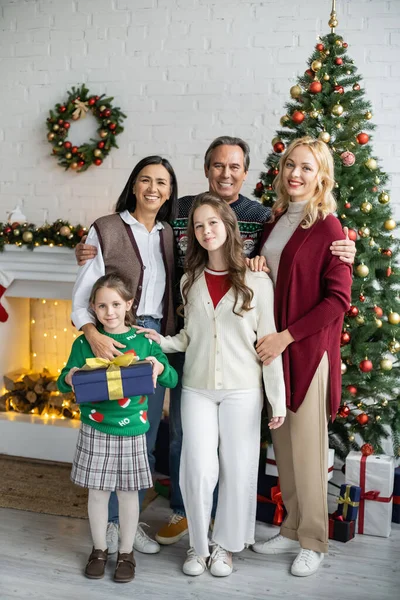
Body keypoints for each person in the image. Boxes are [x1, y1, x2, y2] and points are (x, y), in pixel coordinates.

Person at [74, 136, 356, 546]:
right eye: (218, 165)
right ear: (206, 169)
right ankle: (183, 513)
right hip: (184, 329)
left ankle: (236, 529)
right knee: (178, 434)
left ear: (246, 172)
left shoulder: (265, 217)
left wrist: (347, 247)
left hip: (254, 344)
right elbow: (142, 242)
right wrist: (86, 253)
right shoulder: (185, 210)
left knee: (243, 446)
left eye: (235, 167)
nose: (226, 173)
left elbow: (293, 272)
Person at [136, 192, 286, 577]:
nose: (205, 231)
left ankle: (226, 547)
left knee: (237, 469)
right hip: (198, 388)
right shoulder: (191, 280)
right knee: (197, 468)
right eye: (198, 225)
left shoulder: (257, 281)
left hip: (243, 391)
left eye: (213, 223)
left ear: (229, 226)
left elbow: (268, 344)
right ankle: (198, 548)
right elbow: (189, 338)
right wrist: (160, 342)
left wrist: (277, 400)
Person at [250, 136, 353, 577]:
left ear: (322, 176)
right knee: (285, 446)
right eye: (290, 165)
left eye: (306, 168)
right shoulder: (276, 222)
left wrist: (286, 337)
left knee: (309, 450)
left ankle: (314, 540)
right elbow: (274, 277)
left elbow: (337, 301)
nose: (295, 173)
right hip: (277, 351)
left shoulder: (329, 227)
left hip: (306, 350)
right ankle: (291, 528)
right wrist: (257, 267)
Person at [71, 155, 178, 555]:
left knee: (142, 434)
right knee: (110, 425)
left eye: (162, 183)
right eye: (146, 180)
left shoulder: (169, 233)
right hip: (114, 333)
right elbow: (83, 294)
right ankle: (111, 527)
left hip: (152, 337)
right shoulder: (106, 227)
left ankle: (127, 527)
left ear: (170, 192)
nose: (153, 188)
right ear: (134, 185)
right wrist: (93, 334)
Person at [58, 273, 178, 583]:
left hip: (132, 432)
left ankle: (126, 552)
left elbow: (171, 379)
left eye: (115, 304)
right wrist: (71, 377)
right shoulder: (85, 343)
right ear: (93, 310)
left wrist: (158, 365)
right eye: (101, 306)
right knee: (97, 494)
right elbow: (62, 380)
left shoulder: (142, 341)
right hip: (95, 430)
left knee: (128, 495)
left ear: (128, 304)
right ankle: (99, 549)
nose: (109, 312)